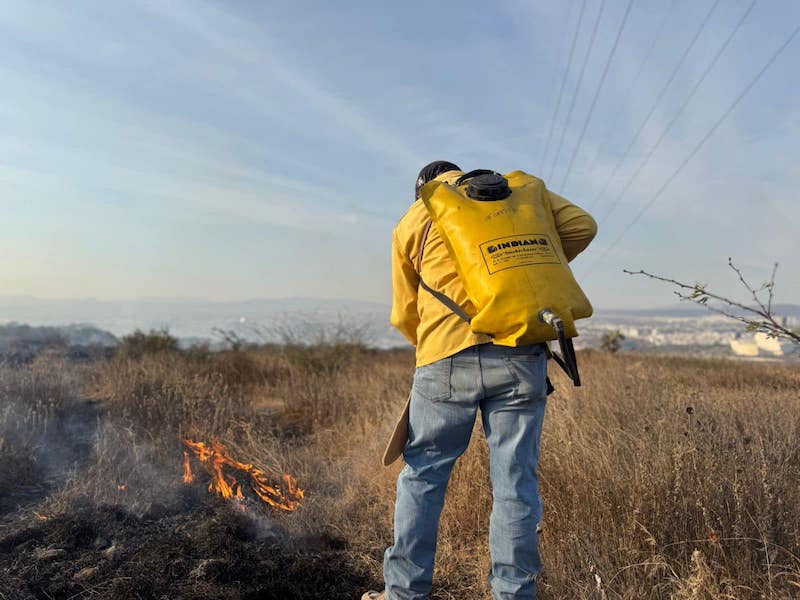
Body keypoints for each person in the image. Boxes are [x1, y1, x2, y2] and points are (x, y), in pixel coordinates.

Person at [362, 161, 597, 600]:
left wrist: (432, 345)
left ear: (424, 189)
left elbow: (403, 313)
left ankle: (405, 594)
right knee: (515, 483)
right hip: (521, 355)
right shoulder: (516, 195)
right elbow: (583, 226)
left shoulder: (418, 217)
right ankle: (514, 594)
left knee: (424, 476)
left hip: (445, 358)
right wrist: (528, 270)